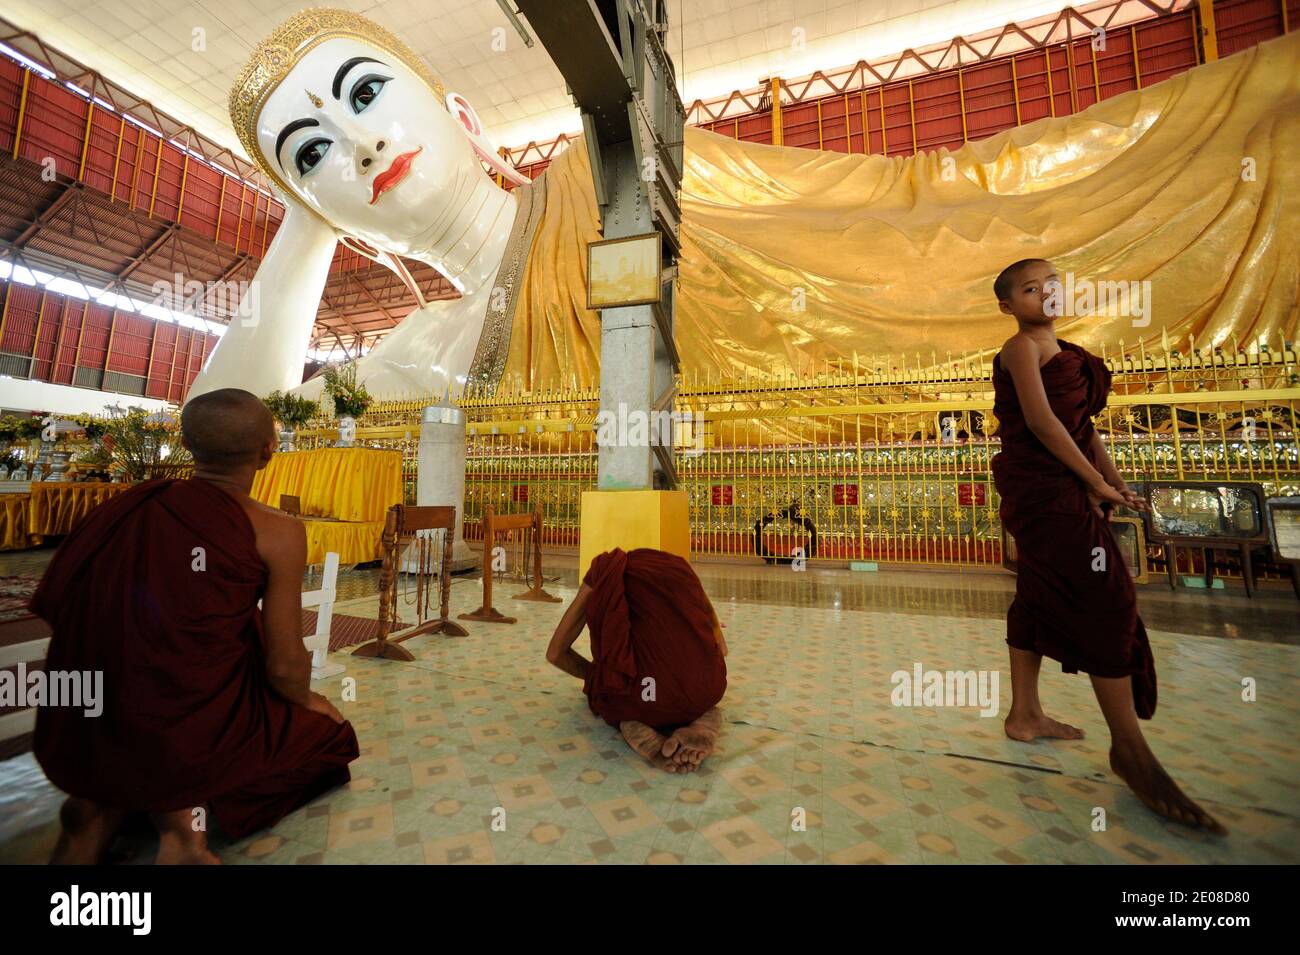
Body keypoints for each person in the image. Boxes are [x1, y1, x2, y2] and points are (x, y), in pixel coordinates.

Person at [31, 388, 359, 863]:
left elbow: (63, 604)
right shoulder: (277, 529)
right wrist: (312, 701)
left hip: (83, 716)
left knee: (146, 713)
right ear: (269, 451)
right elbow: (285, 666)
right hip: (190, 728)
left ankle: (109, 805)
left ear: (186, 444)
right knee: (331, 738)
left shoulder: (125, 508)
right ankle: (182, 830)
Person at [990, 258, 1224, 834]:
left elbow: (1083, 428)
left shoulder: (1069, 351)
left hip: (1069, 482)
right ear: (1008, 305)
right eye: (1029, 289)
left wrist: (1112, 481)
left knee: (1039, 593)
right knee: (1107, 599)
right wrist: (1092, 484)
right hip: (1044, 490)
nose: (1045, 294)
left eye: (1052, 284)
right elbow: (1044, 425)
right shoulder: (1021, 349)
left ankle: (1025, 716)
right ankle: (1130, 749)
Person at [546, 548, 727, 772]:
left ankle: (638, 729)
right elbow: (722, 647)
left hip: (638, 697)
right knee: (705, 698)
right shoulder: (680, 567)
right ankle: (704, 722)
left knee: (623, 699)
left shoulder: (602, 573)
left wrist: (601, 678)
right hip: (701, 690)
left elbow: (555, 653)